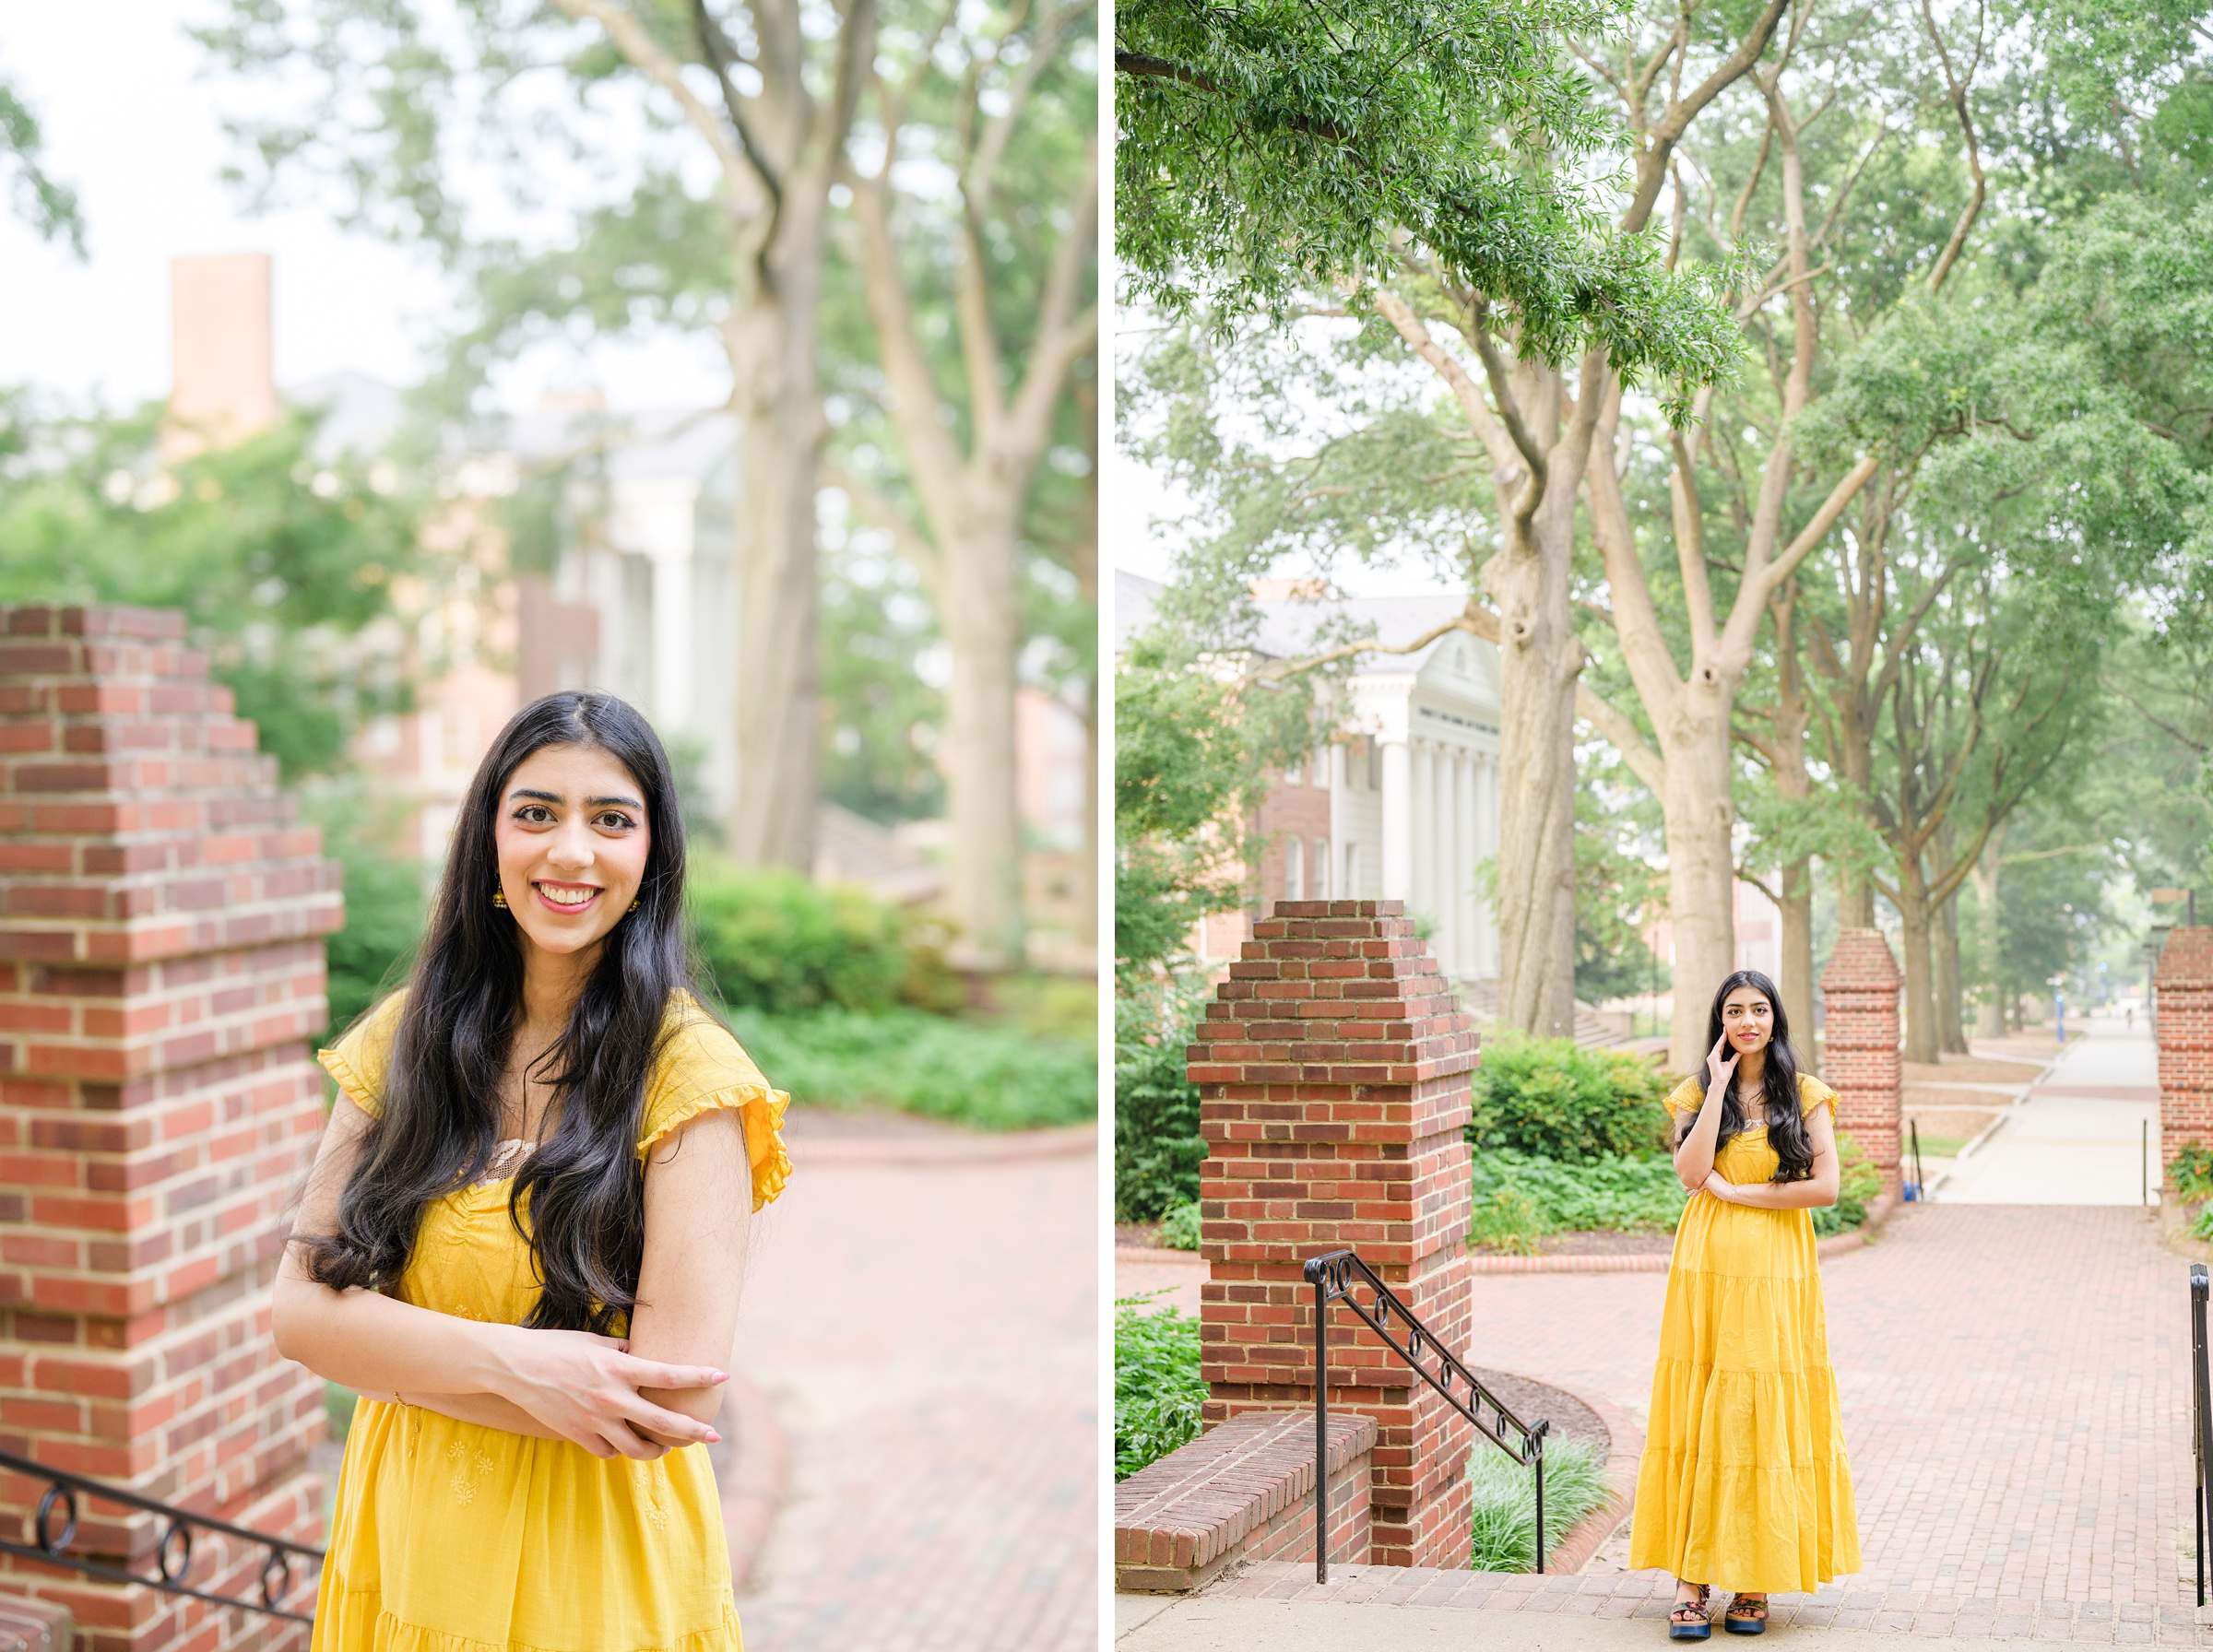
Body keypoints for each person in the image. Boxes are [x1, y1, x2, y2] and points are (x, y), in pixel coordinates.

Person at [276, 691, 791, 1651]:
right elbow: (300, 1316)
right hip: (405, 1544)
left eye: (612, 819)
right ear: (490, 840)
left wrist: (386, 1352)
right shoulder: (402, 1040)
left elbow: (671, 1403)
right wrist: (524, 1365)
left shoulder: (690, 1079)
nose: (570, 852)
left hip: (590, 1576)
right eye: (536, 811)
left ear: (652, 858)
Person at [1629, 970, 1861, 1638]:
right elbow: (1690, 1173)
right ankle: (1691, 1581)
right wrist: (1719, 1087)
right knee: (1702, 1405)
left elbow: (1826, 1188)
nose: (1748, 1020)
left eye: (1759, 1009)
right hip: (1705, 1266)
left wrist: (1743, 1197)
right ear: (1721, 1022)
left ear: (1775, 1018)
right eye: (1736, 1010)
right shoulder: (1697, 1092)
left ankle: (1753, 1578)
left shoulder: (1806, 1095)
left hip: (1776, 1267)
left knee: (1757, 1408)